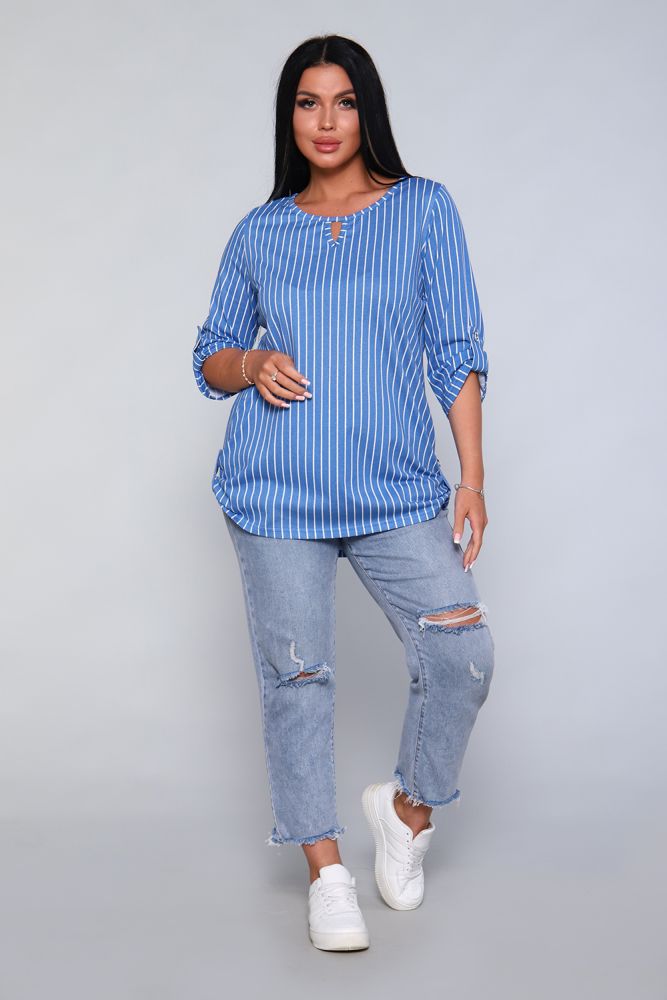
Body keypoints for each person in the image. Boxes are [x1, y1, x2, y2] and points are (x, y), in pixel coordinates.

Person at [192, 34, 495, 952]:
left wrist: (471, 476)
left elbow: (454, 348)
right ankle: (325, 871)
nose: (325, 122)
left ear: (368, 111)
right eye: (306, 103)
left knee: (461, 654)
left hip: (395, 490)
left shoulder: (423, 208)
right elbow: (208, 356)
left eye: (344, 102)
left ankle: (405, 811)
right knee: (297, 680)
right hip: (275, 493)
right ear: (287, 117)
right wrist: (252, 363)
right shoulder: (260, 230)